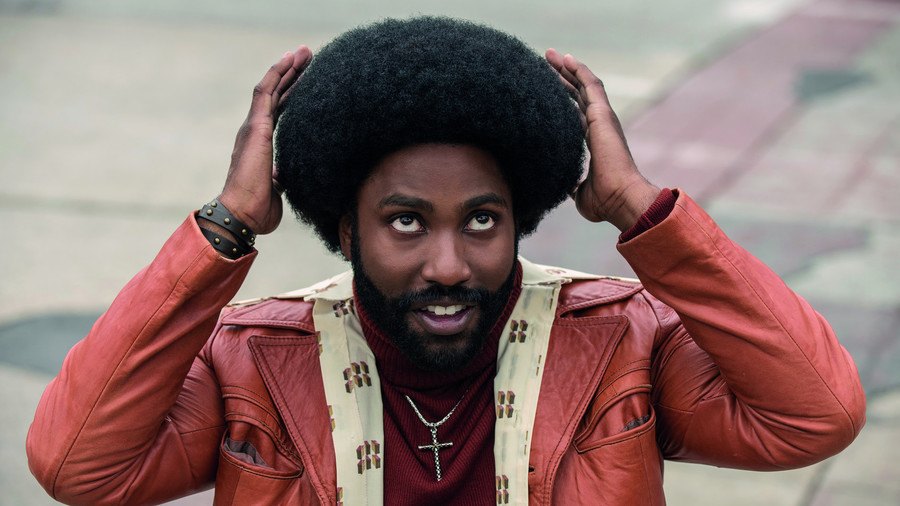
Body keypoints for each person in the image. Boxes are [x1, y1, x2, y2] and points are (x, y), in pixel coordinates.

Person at [27, 17, 865, 505]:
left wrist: (639, 209)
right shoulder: (253, 361)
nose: (450, 264)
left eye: (481, 220)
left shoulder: (620, 341)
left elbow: (816, 416)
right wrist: (227, 227)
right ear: (346, 231)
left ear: (519, 220)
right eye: (405, 222)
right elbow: (75, 466)